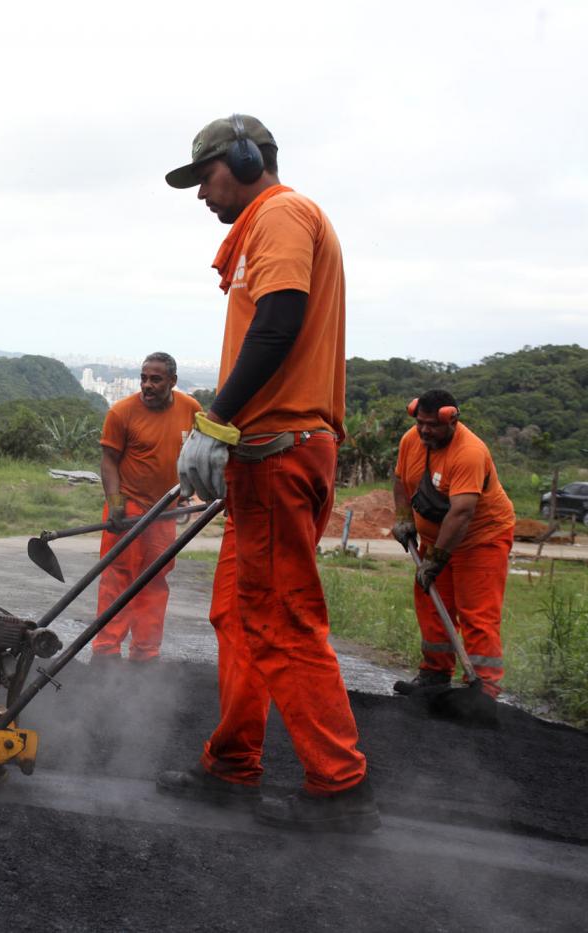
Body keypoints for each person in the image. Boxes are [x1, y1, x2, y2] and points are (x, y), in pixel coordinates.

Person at [154, 114, 377, 833]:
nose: (200, 195)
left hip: (280, 452)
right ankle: (232, 763)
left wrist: (216, 420)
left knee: (282, 619)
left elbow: (279, 321)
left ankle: (338, 786)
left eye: (207, 176)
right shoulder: (271, 223)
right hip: (265, 455)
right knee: (236, 613)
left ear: (247, 159)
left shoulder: (280, 213)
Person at [391, 390, 515, 697]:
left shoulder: (469, 452)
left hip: (480, 540)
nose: (424, 431)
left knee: (477, 613)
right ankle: (435, 674)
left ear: (452, 419)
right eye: (420, 423)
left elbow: (462, 512)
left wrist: (437, 559)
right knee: (432, 603)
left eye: (432, 425)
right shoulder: (411, 440)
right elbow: (399, 479)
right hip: (437, 539)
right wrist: (404, 517)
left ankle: (483, 689)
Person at [93, 351, 201, 662]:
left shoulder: (191, 408)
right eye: (144, 378)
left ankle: (145, 654)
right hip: (127, 507)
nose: (147, 385)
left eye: (155, 379)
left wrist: (189, 493)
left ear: (173, 382)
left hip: (165, 511)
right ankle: (106, 653)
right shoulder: (121, 412)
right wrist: (115, 503)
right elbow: (108, 461)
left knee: (155, 581)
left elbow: (196, 452)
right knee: (117, 579)